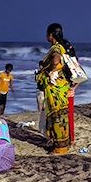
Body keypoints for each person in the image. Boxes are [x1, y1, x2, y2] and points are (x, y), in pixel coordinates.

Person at [37, 23, 72, 154]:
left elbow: (56, 60)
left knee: (57, 117)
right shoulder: (63, 46)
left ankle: (60, 148)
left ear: (51, 35)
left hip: (55, 89)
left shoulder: (56, 48)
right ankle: (63, 144)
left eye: (47, 33)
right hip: (62, 88)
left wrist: (51, 70)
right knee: (62, 118)